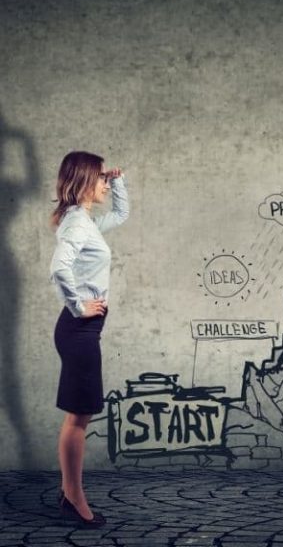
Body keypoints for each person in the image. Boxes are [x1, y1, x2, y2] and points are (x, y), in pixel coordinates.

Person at [50, 151, 129, 527]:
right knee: (79, 418)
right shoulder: (77, 224)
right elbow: (58, 268)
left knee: (79, 415)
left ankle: (70, 492)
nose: (104, 184)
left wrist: (119, 182)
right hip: (79, 329)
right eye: (100, 179)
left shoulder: (84, 220)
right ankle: (74, 498)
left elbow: (121, 215)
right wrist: (80, 306)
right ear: (83, 180)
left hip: (82, 330)